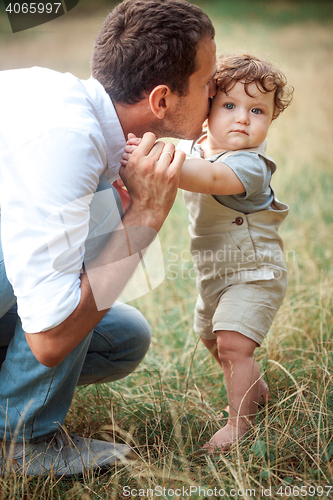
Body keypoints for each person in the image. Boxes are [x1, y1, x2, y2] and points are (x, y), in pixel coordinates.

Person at [0, 0, 216, 476]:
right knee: (70, 304)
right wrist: (148, 213)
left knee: (123, 337)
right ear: (161, 100)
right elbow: (51, 339)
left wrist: (122, 207)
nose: (216, 94)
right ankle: (22, 443)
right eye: (208, 83)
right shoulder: (68, 140)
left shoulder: (87, 120)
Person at [123, 54, 293, 451]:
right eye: (229, 106)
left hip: (255, 273)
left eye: (257, 110)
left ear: (270, 120)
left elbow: (209, 178)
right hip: (215, 276)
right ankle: (254, 388)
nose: (242, 118)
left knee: (234, 343)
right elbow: (190, 159)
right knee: (213, 339)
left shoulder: (251, 165)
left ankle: (238, 426)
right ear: (206, 112)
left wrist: (154, 162)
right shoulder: (197, 147)